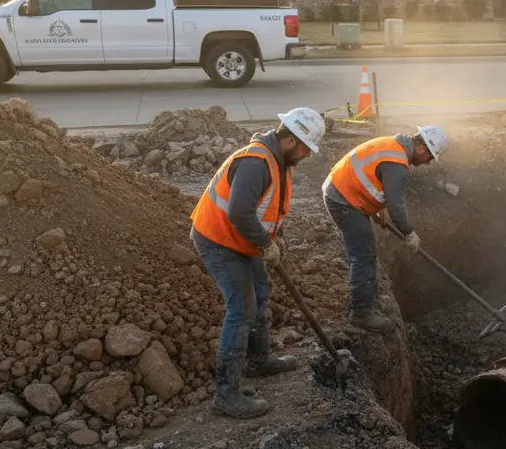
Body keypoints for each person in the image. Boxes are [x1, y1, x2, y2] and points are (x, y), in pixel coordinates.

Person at [190, 107, 326, 419]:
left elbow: (265, 208)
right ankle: (226, 395)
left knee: (261, 291)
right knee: (242, 311)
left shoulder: (277, 159)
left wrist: (267, 241)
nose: (307, 155)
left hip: (242, 241)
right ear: (290, 139)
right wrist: (265, 243)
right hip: (218, 240)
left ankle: (259, 360)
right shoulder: (256, 162)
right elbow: (239, 212)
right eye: (306, 147)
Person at [323, 125, 449, 332]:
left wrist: (376, 208)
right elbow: (396, 205)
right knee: (363, 255)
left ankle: (369, 298)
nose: (428, 163)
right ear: (422, 149)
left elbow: (373, 176)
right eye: (430, 158)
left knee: (368, 252)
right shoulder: (397, 164)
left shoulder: (394, 145)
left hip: (345, 191)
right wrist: (409, 232)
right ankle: (361, 313)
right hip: (344, 200)